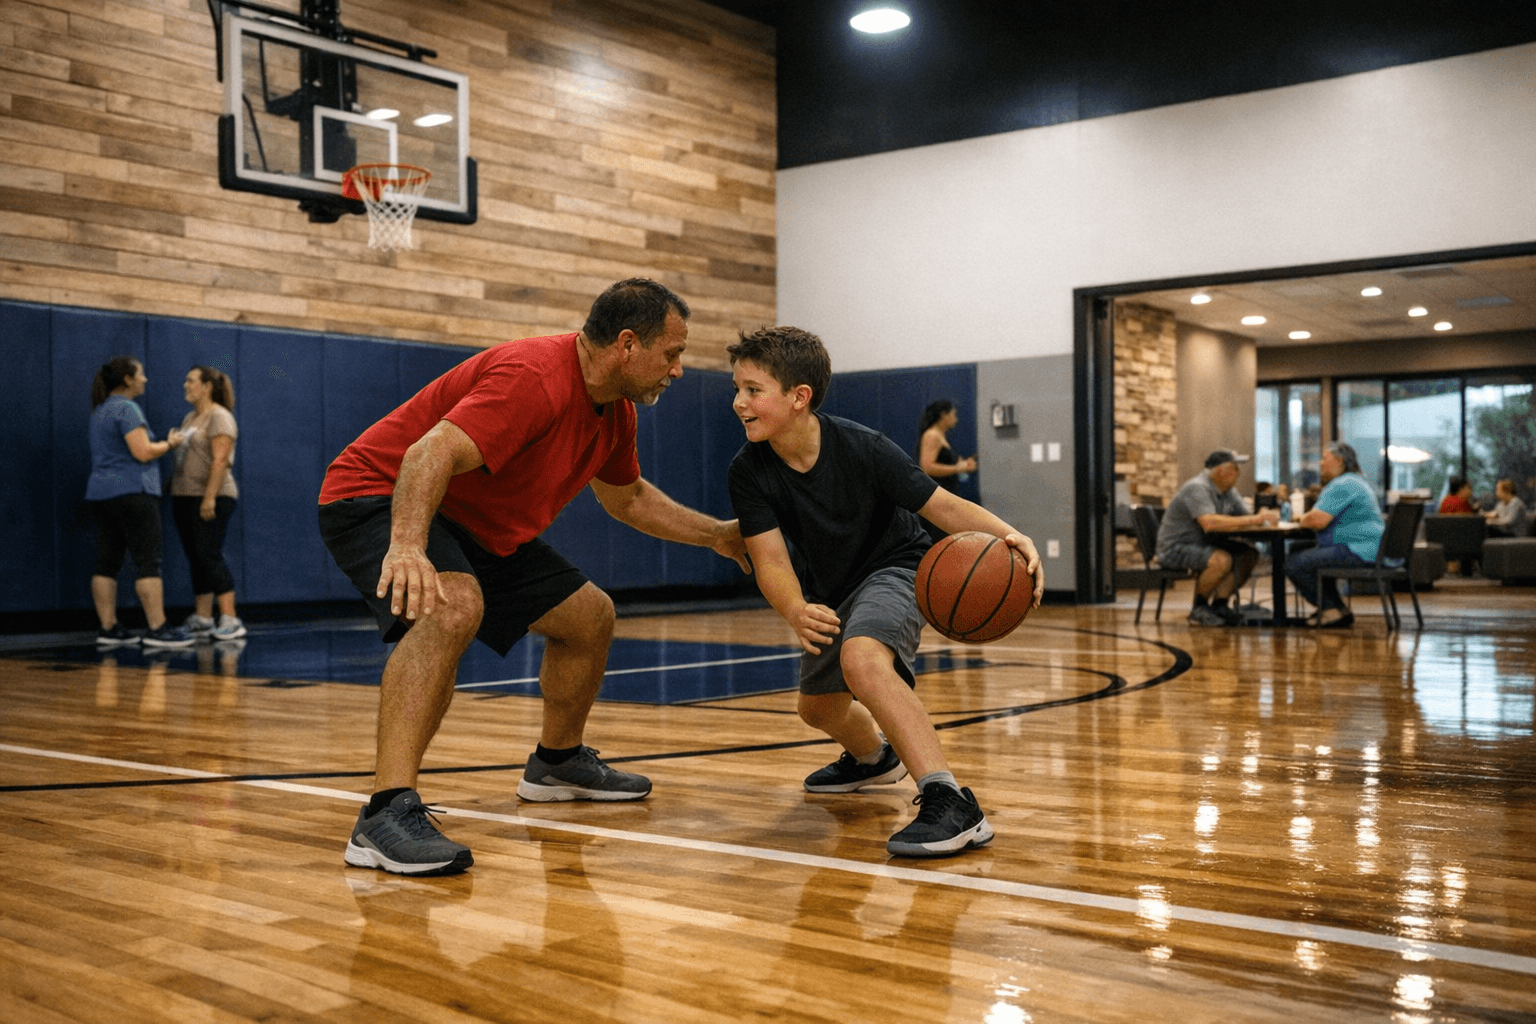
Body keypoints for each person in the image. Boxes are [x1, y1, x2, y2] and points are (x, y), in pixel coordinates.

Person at [318, 278, 748, 876]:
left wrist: (718, 536)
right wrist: (410, 546)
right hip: (378, 493)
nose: (677, 370)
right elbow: (427, 454)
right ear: (627, 344)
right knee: (452, 606)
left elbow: (627, 499)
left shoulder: (616, 413)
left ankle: (557, 762)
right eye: (672, 353)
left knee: (588, 616)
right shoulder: (534, 377)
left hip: (473, 521)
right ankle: (385, 814)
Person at [726, 326, 1043, 858]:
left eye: (753, 390)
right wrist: (795, 607)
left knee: (864, 661)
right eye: (736, 389)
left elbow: (942, 507)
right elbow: (770, 560)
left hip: (896, 568)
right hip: (829, 589)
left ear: (799, 396)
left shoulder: (863, 447)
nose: (738, 403)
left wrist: (1012, 535)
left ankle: (950, 800)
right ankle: (873, 758)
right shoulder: (748, 470)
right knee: (818, 710)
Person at [86, 356, 195, 648]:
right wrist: (170, 444)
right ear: (127, 380)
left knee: (107, 562)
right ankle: (158, 629)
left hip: (101, 494)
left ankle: (108, 629)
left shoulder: (100, 411)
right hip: (133, 492)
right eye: (141, 375)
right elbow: (143, 452)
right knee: (148, 561)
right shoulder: (127, 408)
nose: (145, 380)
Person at [1154, 449, 1278, 626]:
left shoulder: (1228, 491)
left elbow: (1245, 517)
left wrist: (1264, 518)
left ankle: (1220, 605)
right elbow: (1209, 523)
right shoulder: (1197, 487)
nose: (1238, 473)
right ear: (1224, 471)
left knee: (1248, 554)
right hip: (1175, 547)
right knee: (1221, 560)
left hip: (1205, 544)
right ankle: (1199, 608)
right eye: (1235, 468)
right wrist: (1256, 519)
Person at [171, 366, 246, 641]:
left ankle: (230, 618)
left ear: (206, 387)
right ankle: (203, 618)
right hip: (185, 496)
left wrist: (210, 496)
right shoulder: (192, 417)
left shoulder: (219, 416)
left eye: (190, 381)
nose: (185, 385)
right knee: (196, 557)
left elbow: (220, 460)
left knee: (208, 554)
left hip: (213, 496)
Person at [1286, 441, 1385, 628]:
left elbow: (1316, 520)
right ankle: (1336, 609)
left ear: (1339, 461)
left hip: (1358, 550)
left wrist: (1299, 518)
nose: (1320, 464)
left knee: (1294, 563)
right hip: (1370, 548)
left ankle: (1331, 609)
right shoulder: (1356, 481)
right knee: (1301, 551)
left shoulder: (1343, 484)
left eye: (1324, 459)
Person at [915, 400, 978, 542]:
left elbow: (942, 464)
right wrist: (958, 467)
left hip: (946, 493)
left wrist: (962, 465)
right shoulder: (932, 435)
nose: (956, 418)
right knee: (939, 542)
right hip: (935, 499)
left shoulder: (941, 435)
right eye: (954, 414)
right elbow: (927, 467)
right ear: (944, 415)